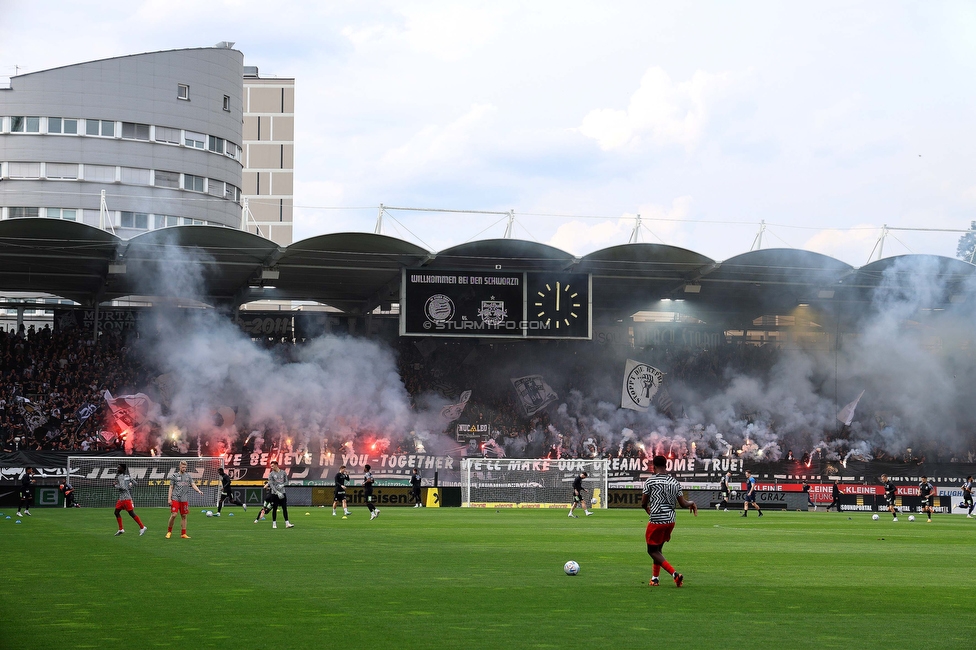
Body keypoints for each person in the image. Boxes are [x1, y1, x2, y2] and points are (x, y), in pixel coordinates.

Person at [641, 455, 697, 587]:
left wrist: (647, 509)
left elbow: (643, 502)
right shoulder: (674, 482)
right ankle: (655, 579)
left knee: (652, 551)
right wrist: (692, 503)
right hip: (670, 521)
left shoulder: (650, 481)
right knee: (658, 550)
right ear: (666, 465)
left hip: (657, 520)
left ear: (653, 467)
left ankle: (675, 574)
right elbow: (683, 503)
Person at [166, 460, 204, 539]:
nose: (184, 468)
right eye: (182, 467)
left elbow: (193, 484)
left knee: (184, 516)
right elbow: (171, 487)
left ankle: (183, 534)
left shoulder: (188, 476)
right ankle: (169, 532)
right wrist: (169, 499)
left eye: (185, 467)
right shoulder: (174, 476)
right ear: (179, 467)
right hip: (175, 498)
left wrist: (198, 490)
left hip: (184, 499)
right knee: (174, 515)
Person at [113, 462, 147, 536]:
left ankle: (142, 527)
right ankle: (121, 529)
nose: (118, 469)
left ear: (123, 469)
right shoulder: (127, 476)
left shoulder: (120, 477)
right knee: (116, 512)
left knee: (131, 513)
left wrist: (115, 485)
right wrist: (130, 485)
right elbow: (135, 483)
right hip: (122, 499)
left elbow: (122, 487)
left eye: (119, 467)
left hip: (125, 498)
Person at [267, 460, 294, 529]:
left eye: (273, 466)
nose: (272, 467)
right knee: (274, 508)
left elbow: (287, 482)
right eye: (271, 466)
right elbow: (271, 485)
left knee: (284, 508)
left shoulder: (283, 472)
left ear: (276, 465)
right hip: (274, 494)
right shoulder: (271, 474)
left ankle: (287, 523)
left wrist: (282, 485)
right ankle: (274, 523)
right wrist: (277, 492)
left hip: (283, 492)